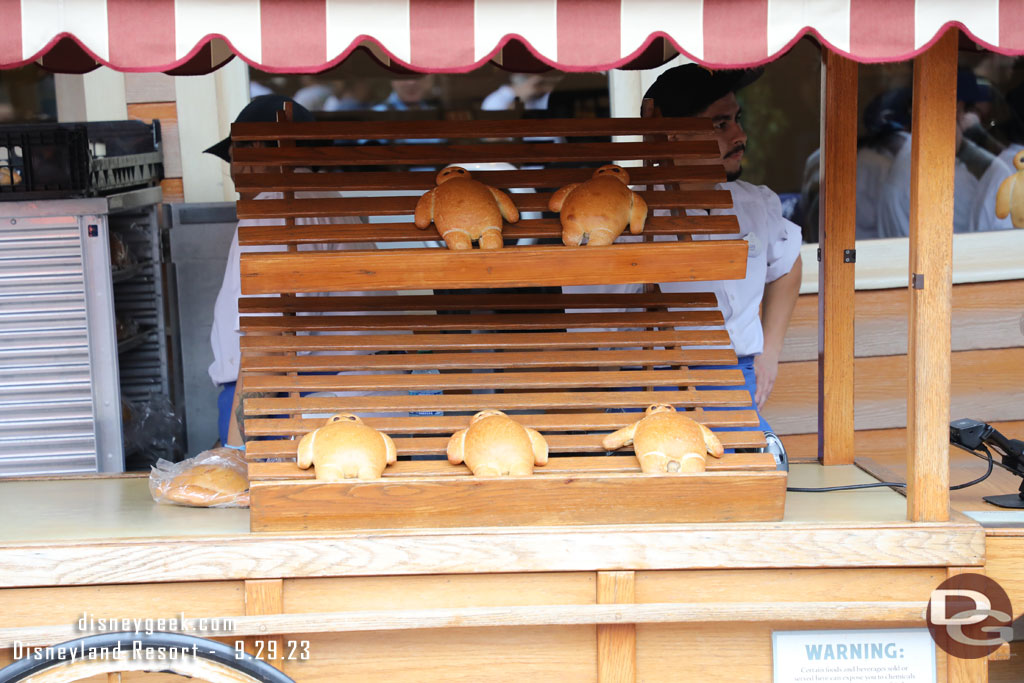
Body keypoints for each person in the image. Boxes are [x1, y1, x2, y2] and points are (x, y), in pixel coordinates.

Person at [566, 65, 802, 437]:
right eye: (720, 124)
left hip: (732, 375)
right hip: (648, 380)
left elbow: (787, 262)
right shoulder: (629, 217)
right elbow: (590, 326)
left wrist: (769, 353)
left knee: (766, 467)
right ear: (674, 135)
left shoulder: (756, 203)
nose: (740, 135)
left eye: (736, 120)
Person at [203, 95, 380, 448]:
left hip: (290, 404)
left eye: (235, 157)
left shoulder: (274, 213)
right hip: (337, 398)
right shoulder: (336, 203)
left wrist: (238, 445)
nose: (235, 172)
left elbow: (265, 337)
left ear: (254, 149)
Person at [876, 68, 1014, 237]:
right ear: (958, 108)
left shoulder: (910, 156)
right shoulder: (949, 173)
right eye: (977, 115)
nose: (975, 125)